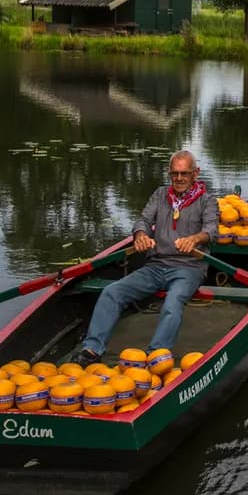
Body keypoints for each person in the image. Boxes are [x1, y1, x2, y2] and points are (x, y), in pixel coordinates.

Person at [77, 150, 219, 365]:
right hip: (155, 265)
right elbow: (143, 220)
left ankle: (157, 356)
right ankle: (92, 349)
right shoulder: (160, 195)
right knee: (112, 292)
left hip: (188, 268)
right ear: (169, 173)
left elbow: (211, 231)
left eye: (184, 173)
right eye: (174, 174)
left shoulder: (207, 201)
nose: (179, 179)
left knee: (172, 304)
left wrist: (195, 239)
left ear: (195, 173)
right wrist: (140, 235)